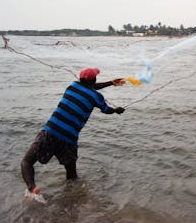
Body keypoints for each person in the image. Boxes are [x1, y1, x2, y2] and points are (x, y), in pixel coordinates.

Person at [21, 68, 126, 196]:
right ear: (94, 79)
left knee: (27, 162)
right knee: (71, 175)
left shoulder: (72, 86)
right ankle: (72, 198)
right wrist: (116, 110)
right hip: (69, 139)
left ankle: (32, 188)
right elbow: (106, 109)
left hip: (51, 131)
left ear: (80, 79)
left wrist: (110, 83)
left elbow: (90, 87)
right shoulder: (97, 97)